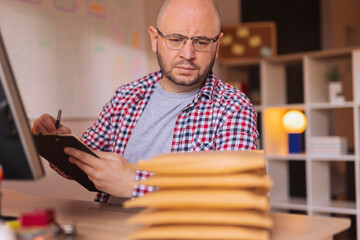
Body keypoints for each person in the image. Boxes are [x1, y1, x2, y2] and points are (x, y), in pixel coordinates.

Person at [32, 0, 259, 203]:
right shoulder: (126, 96)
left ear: (217, 45)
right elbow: (83, 166)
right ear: (155, 39)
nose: (187, 54)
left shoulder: (234, 107)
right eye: (176, 39)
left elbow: (238, 195)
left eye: (201, 42)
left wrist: (136, 184)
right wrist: (60, 145)